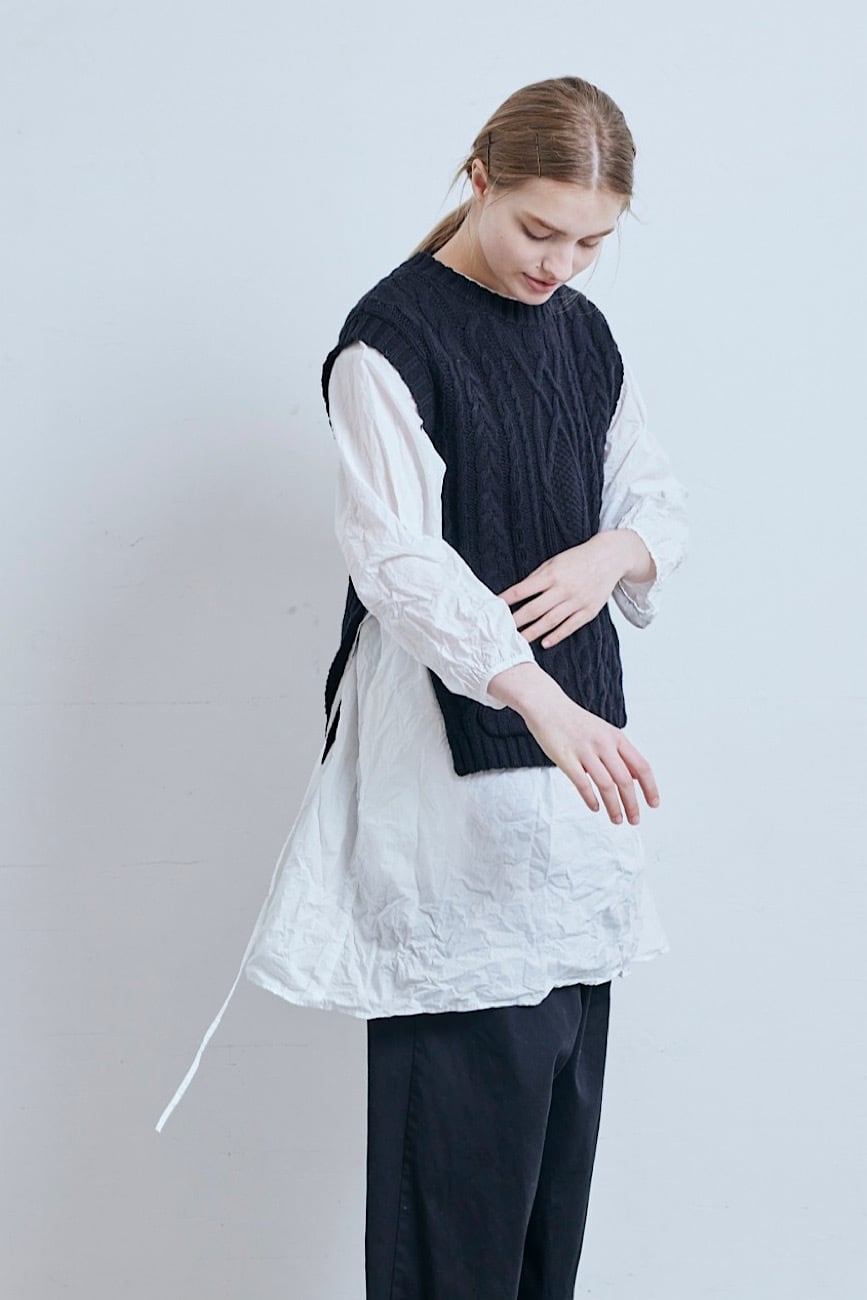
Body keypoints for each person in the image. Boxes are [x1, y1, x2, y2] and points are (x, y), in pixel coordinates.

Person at [155, 74, 689, 1300]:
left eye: (591, 242)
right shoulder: (390, 342)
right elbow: (399, 561)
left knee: (549, 1201)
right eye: (539, 230)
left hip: (572, 821)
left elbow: (654, 497)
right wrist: (539, 698)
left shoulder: (584, 336)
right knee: (454, 1205)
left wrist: (613, 552)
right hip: (454, 808)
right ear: (479, 178)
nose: (560, 265)